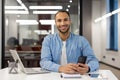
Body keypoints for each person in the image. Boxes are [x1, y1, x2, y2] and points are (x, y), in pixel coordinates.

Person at [40, 10, 99, 74]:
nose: (62, 23)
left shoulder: (81, 41)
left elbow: (94, 60)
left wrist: (88, 68)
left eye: (65, 20)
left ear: (70, 21)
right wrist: (61, 68)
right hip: (55, 76)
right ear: (56, 23)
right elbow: (44, 62)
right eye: (59, 20)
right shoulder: (48, 40)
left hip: (75, 76)